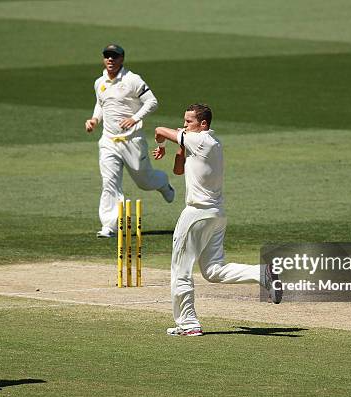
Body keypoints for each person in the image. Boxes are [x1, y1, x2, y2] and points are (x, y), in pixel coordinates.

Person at [152, 104, 282, 336]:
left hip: (196, 215)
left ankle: (188, 324)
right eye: (184, 121)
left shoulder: (201, 140)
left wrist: (162, 144)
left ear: (203, 124)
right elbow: (178, 170)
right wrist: (179, 146)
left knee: (180, 270)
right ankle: (261, 273)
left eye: (189, 122)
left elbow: (159, 129)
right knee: (213, 270)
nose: (184, 125)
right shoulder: (209, 143)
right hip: (216, 215)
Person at [85, 44, 175, 238]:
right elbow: (101, 104)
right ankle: (109, 226)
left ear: (122, 59)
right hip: (108, 141)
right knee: (109, 182)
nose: (110, 60)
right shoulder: (99, 82)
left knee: (144, 180)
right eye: (107, 56)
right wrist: (94, 120)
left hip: (132, 140)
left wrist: (135, 118)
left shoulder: (132, 80)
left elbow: (152, 102)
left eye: (114, 57)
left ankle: (163, 183)